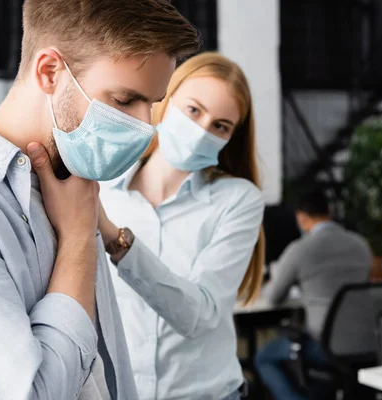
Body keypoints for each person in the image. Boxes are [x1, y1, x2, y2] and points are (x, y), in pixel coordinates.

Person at [0, 1, 199, 399]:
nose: (146, 126)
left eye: (152, 103)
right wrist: (78, 239)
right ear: (49, 71)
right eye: (124, 99)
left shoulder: (75, 177)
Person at [98, 52, 265, 400]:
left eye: (220, 125)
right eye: (194, 110)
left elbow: (199, 316)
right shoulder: (102, 188)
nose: (201, 130)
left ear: (230, 138)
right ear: (166, 100)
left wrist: (117, 240)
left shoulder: (237, 200)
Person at [255, 189, 372, 400]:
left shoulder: (301, 249)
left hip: (324, 346)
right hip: (366, 343)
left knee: (264, 357)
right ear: (330, 212)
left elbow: (273, 297)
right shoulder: (361, 245)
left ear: (301, 218)